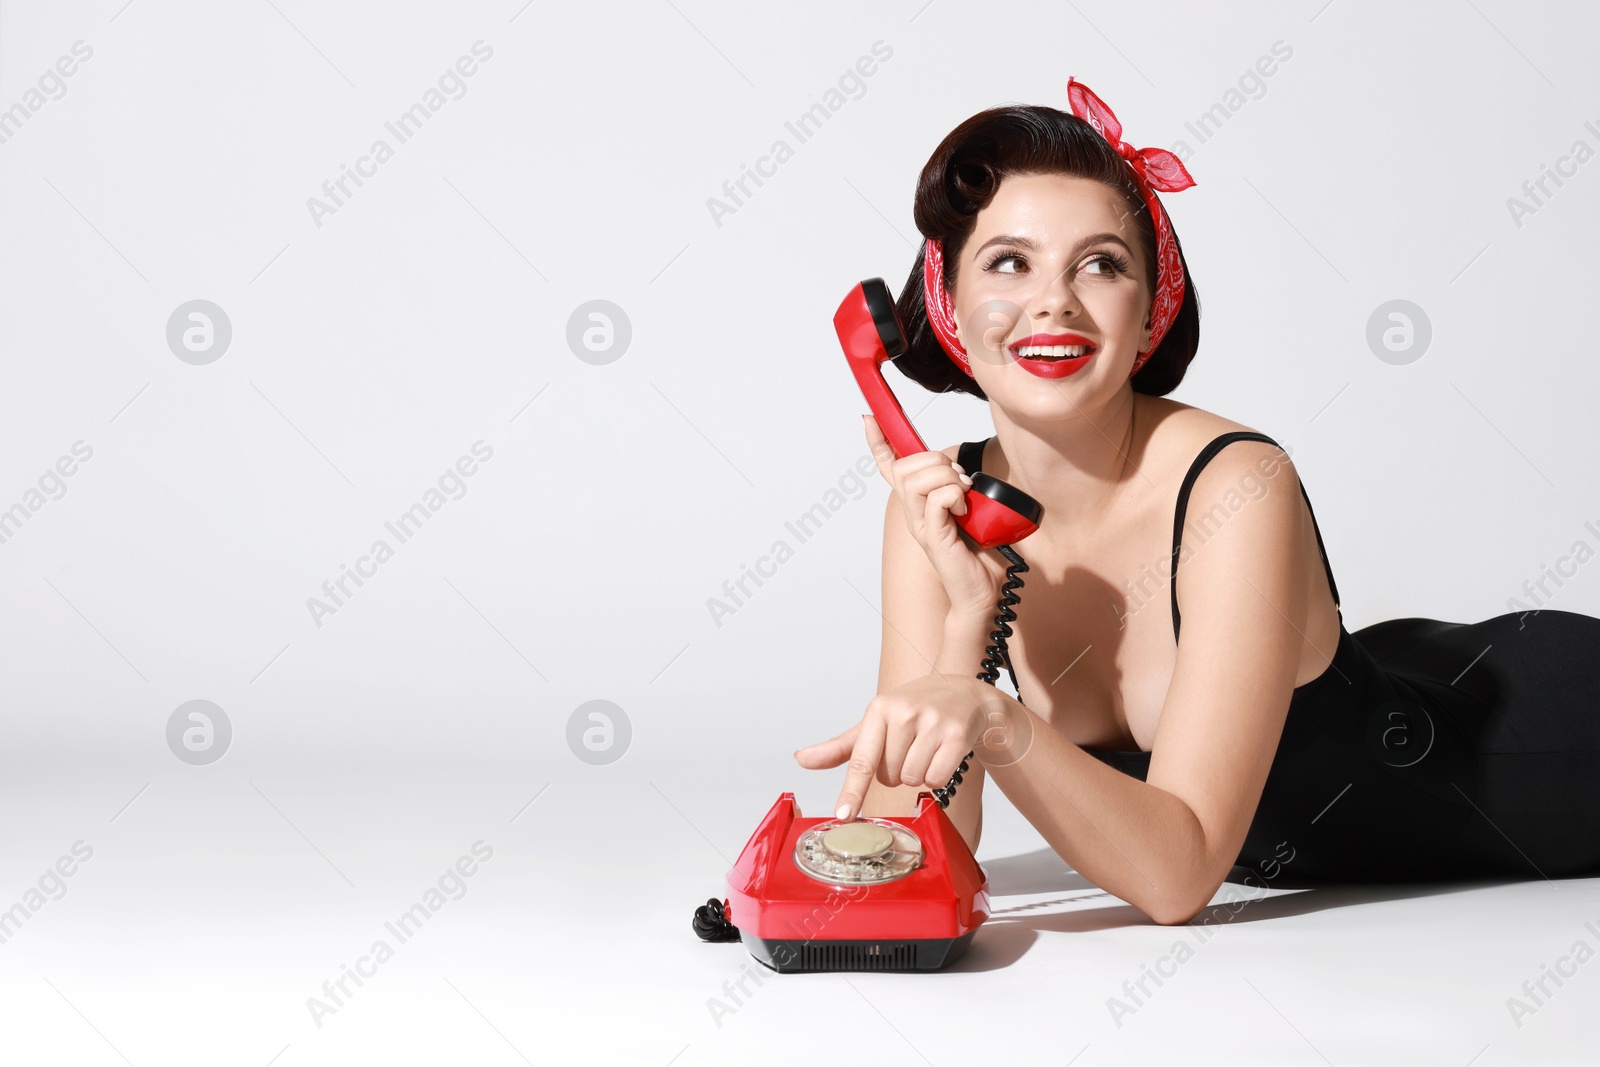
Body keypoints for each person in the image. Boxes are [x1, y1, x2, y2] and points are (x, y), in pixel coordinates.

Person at [793, 79, 1600, 926]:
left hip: (1531, 743)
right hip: (1401, 668)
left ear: (1152, 309)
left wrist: (996, 718)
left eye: (1100, 264)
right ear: (950, 305)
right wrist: (963, 628)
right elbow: (904, 860)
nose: (1054, 300)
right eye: (1009, 261)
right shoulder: (940, 505)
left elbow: (1178, 877)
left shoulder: (1238, 483)